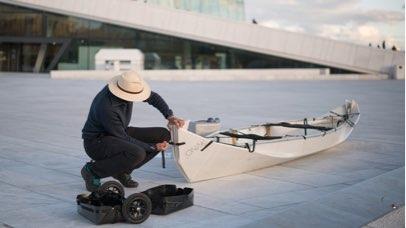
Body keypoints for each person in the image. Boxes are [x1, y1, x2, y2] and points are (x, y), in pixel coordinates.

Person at [81, 70, 184, 191]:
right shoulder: (106, 108)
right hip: (97, 143)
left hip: (116, 133)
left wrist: (169, 116)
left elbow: (153, 97)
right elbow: (123, 138)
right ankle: (92, 171)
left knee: (163, 134)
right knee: (137, 153)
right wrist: (153, 147)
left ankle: (121, 171)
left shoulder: (123, 87)